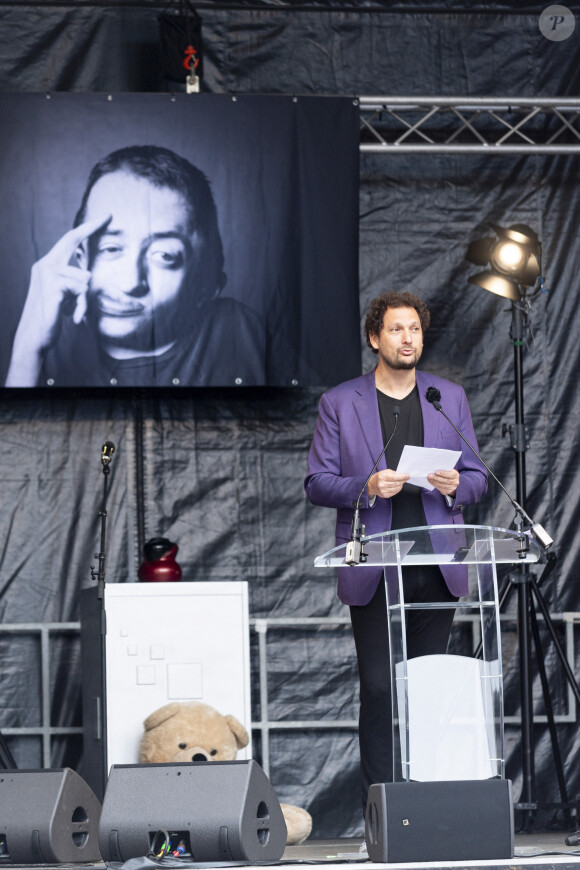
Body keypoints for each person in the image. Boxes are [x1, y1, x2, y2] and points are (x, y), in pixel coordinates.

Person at [304, 290, 488, 816]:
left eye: (415, 330)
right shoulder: (341, 402)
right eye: (396, 330)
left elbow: (477, 477)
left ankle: (427, 809)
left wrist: (456, 485)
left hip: (436, 562)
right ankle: (382, 813)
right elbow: (316, 482)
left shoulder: (446, 397)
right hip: (375, 565)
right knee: (381, 689)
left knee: (428, 690)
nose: (408, 339)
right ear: (374, 339)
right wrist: (365, 486)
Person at [5, 145, 264, 387]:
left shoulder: (244, 333)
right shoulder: (46, 344)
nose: (130, 282)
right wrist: (26, 354)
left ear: (206, 286)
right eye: (110, 248)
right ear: (81, 257)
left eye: (164, 256)